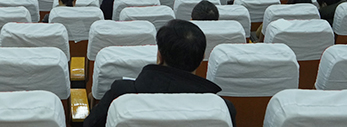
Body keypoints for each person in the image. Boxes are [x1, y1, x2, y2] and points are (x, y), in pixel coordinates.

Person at [83, 19, 237, 127]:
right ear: (202, 58)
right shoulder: (223, 108)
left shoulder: (122, 92)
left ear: (159, 56)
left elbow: (90, 124)